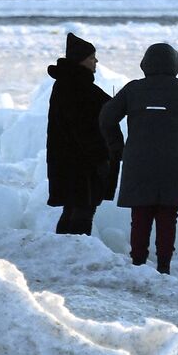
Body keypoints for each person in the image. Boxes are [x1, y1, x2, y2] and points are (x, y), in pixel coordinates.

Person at [99, 43, 178, 273]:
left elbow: (107, 117)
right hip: (174, 161)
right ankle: (164, 266)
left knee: (140, 213)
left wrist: (116, 146)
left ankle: (138, 262)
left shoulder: (133, 89)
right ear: (175, 64)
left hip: (138, 159)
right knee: (168, 214)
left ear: (145, 64)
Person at [46, 33, 118, 234]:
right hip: (82, 163)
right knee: (83, 208)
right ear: (80, 60)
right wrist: (100, 158)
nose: (96, 61)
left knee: (72, 206)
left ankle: (62, 250)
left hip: (68, 160)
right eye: (91, 57)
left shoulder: (68, 83)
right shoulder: (78, 87)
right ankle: (76, 249)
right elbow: (83, 128)